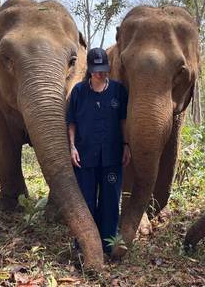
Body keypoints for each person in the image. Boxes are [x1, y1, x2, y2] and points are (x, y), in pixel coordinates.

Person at [66, 47, 131, 254]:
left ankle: (108, 244)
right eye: (96, 70)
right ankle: (85, 244)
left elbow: (123, 121)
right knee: (86, 201)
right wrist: (72, 147)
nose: (100, 74)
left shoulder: (118, 91)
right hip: (85, 156)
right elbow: (72, 123)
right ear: (90, 70)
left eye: (104, 69)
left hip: (112, 156)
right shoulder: (78, 92)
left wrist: (126, 145)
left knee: (111, 201)